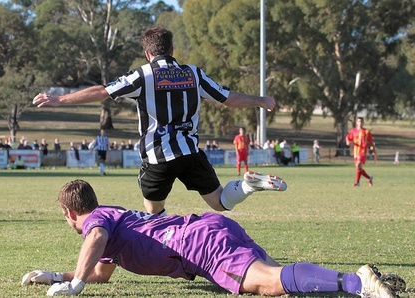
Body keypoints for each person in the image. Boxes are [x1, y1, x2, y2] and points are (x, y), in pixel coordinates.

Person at [32, 25, 285, 215]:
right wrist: (261, 100)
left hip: (158, 157)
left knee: (153, 211)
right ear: (172, 50)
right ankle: (248, 186)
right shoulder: (193, 73)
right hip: (190, 152)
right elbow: (227, 98)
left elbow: (102, 91)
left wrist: (59, 100)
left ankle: (169, 250)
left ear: (147, 52)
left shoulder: (143, 75)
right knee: (220, 202)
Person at [21, 179, 402, 298]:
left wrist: (73, 285)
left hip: (196, 245)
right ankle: (357, 283)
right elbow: (100, 273)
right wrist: (59, 276)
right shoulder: (113, 225)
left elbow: (96, 237)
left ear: (70, 213)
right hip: (206, 229)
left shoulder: (99, 222)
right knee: (272, 276)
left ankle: (359, 283)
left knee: (269, 283)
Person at [345, 117, 374, 187]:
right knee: (359, 168)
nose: (360, 123)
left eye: (361, 121)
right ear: (356, 123)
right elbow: (348, 138)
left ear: (363, 123)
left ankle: (357, 182)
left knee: (358, 165)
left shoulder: (366, 132)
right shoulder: (353, 131)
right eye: (358, 121)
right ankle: (369, 178)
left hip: (363, 151)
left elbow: (371, 142)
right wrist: (348, 142)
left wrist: (370, 147)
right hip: (355, 152)